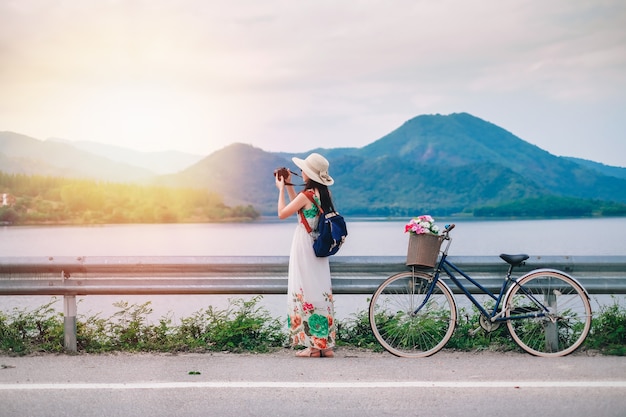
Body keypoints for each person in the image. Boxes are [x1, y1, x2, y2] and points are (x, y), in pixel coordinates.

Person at [275, 152, 337, 358]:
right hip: (318, 246)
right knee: (318, 291)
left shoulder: (307, 195)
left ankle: (312, 348)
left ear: (308, 173)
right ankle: (324, 345)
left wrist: (281, 189)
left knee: (305, 291)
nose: (300, 172)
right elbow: (300, 211)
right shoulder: (323, 194)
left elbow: (283, 213)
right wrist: (292, 186)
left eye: (303, 170)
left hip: (304, 246)